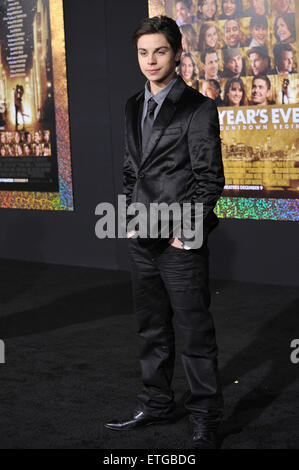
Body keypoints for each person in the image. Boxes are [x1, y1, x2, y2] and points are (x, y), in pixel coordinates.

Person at [104, 15, 225, 450]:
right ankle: (156, 405)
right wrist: (131, 216)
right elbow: (131, 168)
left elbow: (210, 179)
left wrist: (183, 232)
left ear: (176, 54)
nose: (150, 60)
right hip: (142, 238)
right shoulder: (132, 105)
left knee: (195, 333)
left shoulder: (198, 107)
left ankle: (205, 418)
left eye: (159, 51)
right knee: (151, 329)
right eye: (143, 52)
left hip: (180, 242)